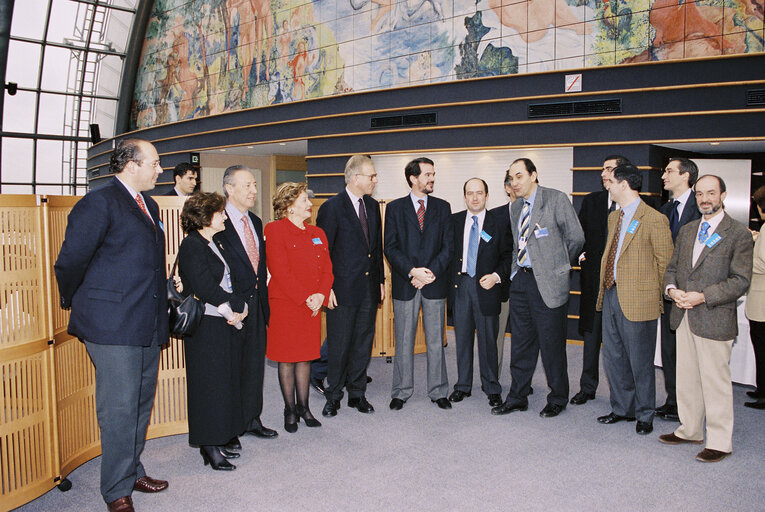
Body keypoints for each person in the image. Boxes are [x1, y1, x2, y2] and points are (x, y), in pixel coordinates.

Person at [54, 138, 169, 512]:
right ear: (131, 165)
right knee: (118, 408)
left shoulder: (148, 204)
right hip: (112, 324)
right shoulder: (98, 202)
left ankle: (132, 468)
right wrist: (77, 301)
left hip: (146, 320)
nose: (160, 169)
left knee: (139, 402)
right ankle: (116, 490)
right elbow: (70, 260)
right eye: (154, 162)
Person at [659, 175, 753, 462]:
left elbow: (740, 281)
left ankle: (720, 442)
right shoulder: (688, 231)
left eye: (711, 193)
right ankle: (689, 430)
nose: (705, 199)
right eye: (700, 194)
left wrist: (702, 295)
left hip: (713, 316)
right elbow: (673, 267)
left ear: (723, 195)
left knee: (715, 383)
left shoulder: (738, 233)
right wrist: (672, 290)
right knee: (686, 378)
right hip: (683, 313)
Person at [492, 158, 584, 418]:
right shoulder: (515, 207)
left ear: (533, 175)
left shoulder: (556, 199)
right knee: (520, 343)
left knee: (552, 345)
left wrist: (557, 265)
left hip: (549, 283)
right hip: (521, 281)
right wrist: (513, 272)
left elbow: (576, 237)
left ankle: (557, 397)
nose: (514, 182)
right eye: (511, 178)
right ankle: (518, 396)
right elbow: (515, 245)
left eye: (519, 176)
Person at [595, 164, 673, 435]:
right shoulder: (613, 218)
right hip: (611, 293)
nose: (607, 185)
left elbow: (665, 264)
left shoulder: (654, 219)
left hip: (640, 301)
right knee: (614, 357)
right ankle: (622, 408)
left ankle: (645, 413)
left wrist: (659, 300)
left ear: (625, 184)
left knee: (640, 362)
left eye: (611, 181)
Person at [177, 192, 249, 471]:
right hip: (206, 325)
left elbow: (229, 281)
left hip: (223, 321)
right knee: (207, 386)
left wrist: (240, 305)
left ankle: (218, 439)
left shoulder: (214, 242)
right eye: (219, 213)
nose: (224, 216)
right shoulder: (192, 245)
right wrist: (234, 304)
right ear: (205, 217)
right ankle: (208, 445)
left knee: (223, 382)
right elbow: (205, 287)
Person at [317, 155, 384, 417]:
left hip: (368, 287)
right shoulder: (331, 208)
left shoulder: (372, 206)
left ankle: (357, 394)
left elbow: (375, 249)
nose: (374, 180)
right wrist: (326, 287)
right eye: (371, 176)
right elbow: (323, 254)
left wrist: (379, 280)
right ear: (355, 178)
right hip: (341, 290)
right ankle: (333, 396)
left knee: (362, 344)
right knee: (339, 344)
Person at [384, 157, 454, 410]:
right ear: (413, 178)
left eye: (433, 174)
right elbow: (390, 247)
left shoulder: (443, 207)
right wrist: (413, 271)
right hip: (406, 283)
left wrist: (430, 272)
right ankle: (401, 391)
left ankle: (438, 391)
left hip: (434, 283)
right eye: (427, 174)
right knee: (404, 340)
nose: (431, 178)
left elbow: (448, 247)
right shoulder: (394, 208)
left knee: (436, 340)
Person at [265, 182, 333, 432]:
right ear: (289, 206)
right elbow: (280, 271)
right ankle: (290, 409)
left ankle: (304, 407)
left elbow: (327, 269)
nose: (309, 204)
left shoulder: (317, 233)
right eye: (304, 200)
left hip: (312, 305)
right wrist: (307, 297)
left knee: (305, 357)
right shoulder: (274, 230)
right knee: (287, 359)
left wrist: (321, 295)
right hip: (287, 305)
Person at [216, 165, 276, 445]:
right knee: (229, 369)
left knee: (254, 367)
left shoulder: (256, 220)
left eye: (254, 184)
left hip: (257, 305)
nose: (254, 190)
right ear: (229, 188)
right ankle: (228, 427)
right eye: (248, 185)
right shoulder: (216, 221)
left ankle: (252, 419)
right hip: (230, 309)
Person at [571, 155, 631, 406]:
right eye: (603, 168)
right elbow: (578, 233)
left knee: (622, 343)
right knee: (591, 337)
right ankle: (587, 387)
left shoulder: (636, 204)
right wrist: (581, 255)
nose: (604, 173)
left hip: (624, 285)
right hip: (594, 281)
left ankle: (625, 394)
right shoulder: (592, 200)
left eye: (610, 169)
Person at [448, 178, 512, 408]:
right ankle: (463, 385)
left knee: (488, 341)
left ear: (487, 196)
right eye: (470, 193)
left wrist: (496, 276)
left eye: (479, 193)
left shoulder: (499, 222)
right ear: (464, 197)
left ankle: (491, 386)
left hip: (487, 287)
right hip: (462, 287)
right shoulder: (454, 221)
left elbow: (508, 256)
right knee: (462, 340)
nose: (474, 197)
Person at [656, 157, 701, 421]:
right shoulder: (664, 210)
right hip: (669, 291)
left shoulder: (703, 207)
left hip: (693, 296)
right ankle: (673, 400)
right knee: (670, 350)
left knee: (691, 354)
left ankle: (690, 405)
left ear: (686, 176)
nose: (664, 175)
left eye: (669, 171)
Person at [489, 170, 516, 377]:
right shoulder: (494, 216)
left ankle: (521, 382)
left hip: (530, 286)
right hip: (500, 285)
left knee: (525, 338)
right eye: (512, 182)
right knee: (496, 336)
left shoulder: (537, 213)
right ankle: (493, 379)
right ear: (507, 188)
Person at [745, 186, 765, 409]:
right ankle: (761, 389)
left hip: (761, 301)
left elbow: (761, 263)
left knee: (762, 349)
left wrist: (744, 259)